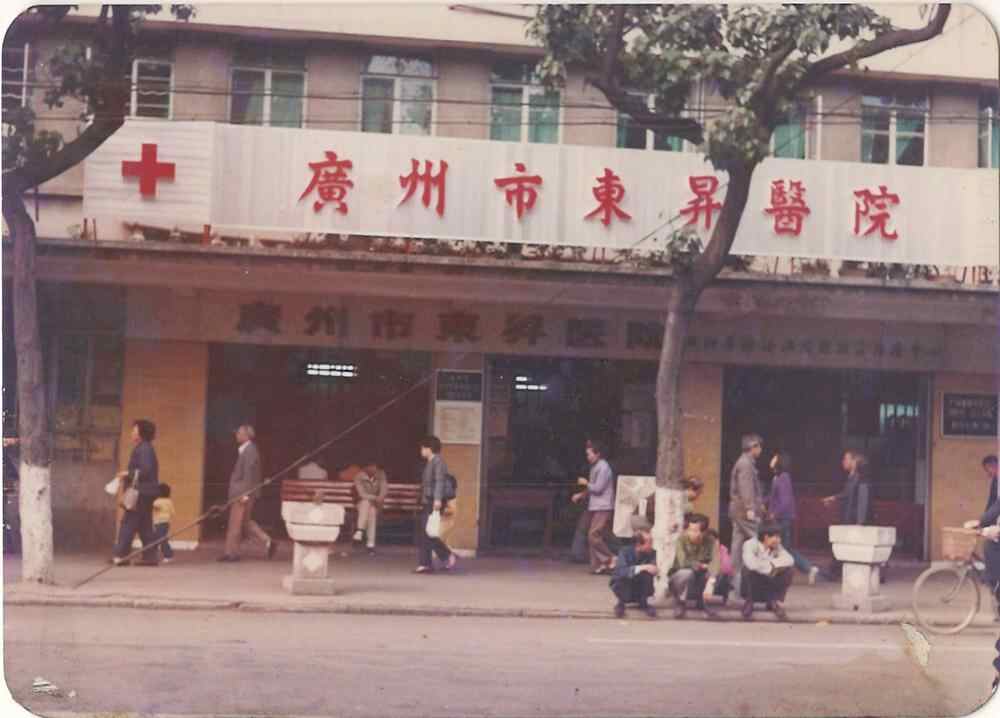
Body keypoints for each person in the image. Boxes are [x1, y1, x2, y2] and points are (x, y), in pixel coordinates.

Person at [219, 425, 275, 562]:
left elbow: (249, 475)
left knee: (235, 523)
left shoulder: (249, 451)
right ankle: (268, 541)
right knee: (245, 523)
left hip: (242, 493)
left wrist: (244, 494)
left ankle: (231, 553)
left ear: (246, 435)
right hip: (244, 492)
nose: (236, 435)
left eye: (238, 433)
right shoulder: (248, 450)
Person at [767, 451, 820, 584]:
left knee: (782, 548)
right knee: (785, 548)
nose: (772, 459)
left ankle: (781, 575)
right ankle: (808, 568)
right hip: (780, 518)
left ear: (779, 462)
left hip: (783, 518)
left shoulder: (783, 477)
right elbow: (773, 497)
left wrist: (775, 513)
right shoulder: (777, 477)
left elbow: (785, 501)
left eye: (775, 458)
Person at [112, 419, 161, 566]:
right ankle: (150, 557)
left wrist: (127, 473)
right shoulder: (146, 448)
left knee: (128, 522)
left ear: (141, 433)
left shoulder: (143, 449)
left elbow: (145, 470)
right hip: (147, 492)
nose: (132, 432)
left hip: (141, 492)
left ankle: (121, 556)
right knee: (145, 525)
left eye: (134, 430)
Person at [572, 439, 616, 574]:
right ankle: (597, 565)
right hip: (595, 505)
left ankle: (610, 558)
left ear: (597, 454)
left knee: (593, 535)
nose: (588, 457)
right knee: (594, 535)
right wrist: (581, 495)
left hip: (603, 506)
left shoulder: (603, 467)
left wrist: (585, 483)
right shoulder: (595, 467)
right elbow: (592, 488)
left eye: (589, 454)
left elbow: (598, 488)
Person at [729, 433, 764, 598]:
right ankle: (759, 582)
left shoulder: (744, 462)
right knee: (759, 541)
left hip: (738, 510)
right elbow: (746, 488)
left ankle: (735, 588)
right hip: (744, 511)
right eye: (759, 446)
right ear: (753, 447)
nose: (761, 450)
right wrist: (751, 508)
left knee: (737, 548)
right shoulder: (746, 464)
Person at [415, 435, 456, 574]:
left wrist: (437, 499)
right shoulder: (431, 462)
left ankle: (444, 556)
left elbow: (439, 481)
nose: (421, 450)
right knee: (426, 531)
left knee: (428, 531)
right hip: (429, 500)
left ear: (429, 448)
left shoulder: (438, 462)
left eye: (423, 448)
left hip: (434, 500)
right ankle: (427, 563)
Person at [668, 513, 720, 619]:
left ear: (704, 532)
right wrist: (700, 565)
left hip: (699, 578)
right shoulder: (681, 539)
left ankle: (702, 601)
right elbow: (683, 562)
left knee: (717, 573)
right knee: (687, 573)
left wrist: (711, 581)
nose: (691, 533)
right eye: (690, 529)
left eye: (695, 530)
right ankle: (680, 602)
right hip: (679, 579)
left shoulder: (710, 541)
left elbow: (716, 562)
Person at [741, 522, 794, 621]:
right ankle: (749, 602)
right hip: (754, 579)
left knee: (789, 571)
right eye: (776, 537)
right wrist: (770, 567)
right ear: (766, 537)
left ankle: (773, 601)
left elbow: (790, 559)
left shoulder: (777, 546)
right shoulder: (750, 544)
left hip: (768, 577)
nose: (779, 540)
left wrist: (772, 565)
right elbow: (751, 564)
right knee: (748, 570)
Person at [609, 520, 657, 618]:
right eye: (649, 543)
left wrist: (654, 570)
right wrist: (642, 567)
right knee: (624, 576)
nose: (651, 546)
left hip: (639, 586)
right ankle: (621, 602)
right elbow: (622, 571)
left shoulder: (652, 553)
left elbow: (653, 568)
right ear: (639, 544)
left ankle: (643, 602)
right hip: (624, 587)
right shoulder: (624, 552)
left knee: (647, 574)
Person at [822, 450, 872, 526]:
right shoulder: (851, 478)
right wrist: (833, 498)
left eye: (845, 459)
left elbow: (863, 502)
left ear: (854, 461)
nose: (843, 461)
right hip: (848, 523)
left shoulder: (862, 479)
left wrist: (860, 524)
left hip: (855, 525)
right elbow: (847, 494)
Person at [353, 460, 389, 556]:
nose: (373, 468)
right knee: (367, 506)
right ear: (365, 467)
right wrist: (374, 497)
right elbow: (361, 494)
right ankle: (370, 545)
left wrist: (379, 498)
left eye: (374, 466)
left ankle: (359, 530)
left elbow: (384, 490)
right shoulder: (359, 476)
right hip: (361, 504)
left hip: (376, 504)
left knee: (371, 510)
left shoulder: (381, 475)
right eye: (370, 466)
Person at [152, 483, 176, 563]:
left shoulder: (157, 501)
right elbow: (173, 512)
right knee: (158, 538)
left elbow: (154, 507)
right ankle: (152, 555)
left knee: (161, 539)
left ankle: (168, 555)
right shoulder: (169, 501)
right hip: (166, 522)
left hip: (159, 522)